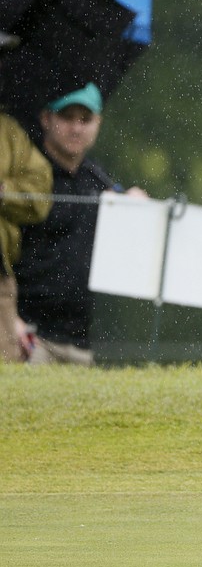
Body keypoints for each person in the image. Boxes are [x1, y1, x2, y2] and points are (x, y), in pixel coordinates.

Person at [15, 83, 145, 367]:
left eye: (85, 120)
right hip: (27, 337)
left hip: (79, 341)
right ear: (46, 119)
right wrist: (8, 321)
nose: (76, 128)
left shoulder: (98, 180)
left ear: (98, 123)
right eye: (66, 117)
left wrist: (134, 207)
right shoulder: (26, 175)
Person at [0, 109, 53, 362]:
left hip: (0, 274)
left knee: (6, 372)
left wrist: (4, 190)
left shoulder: (8, 131)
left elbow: (40, 190)